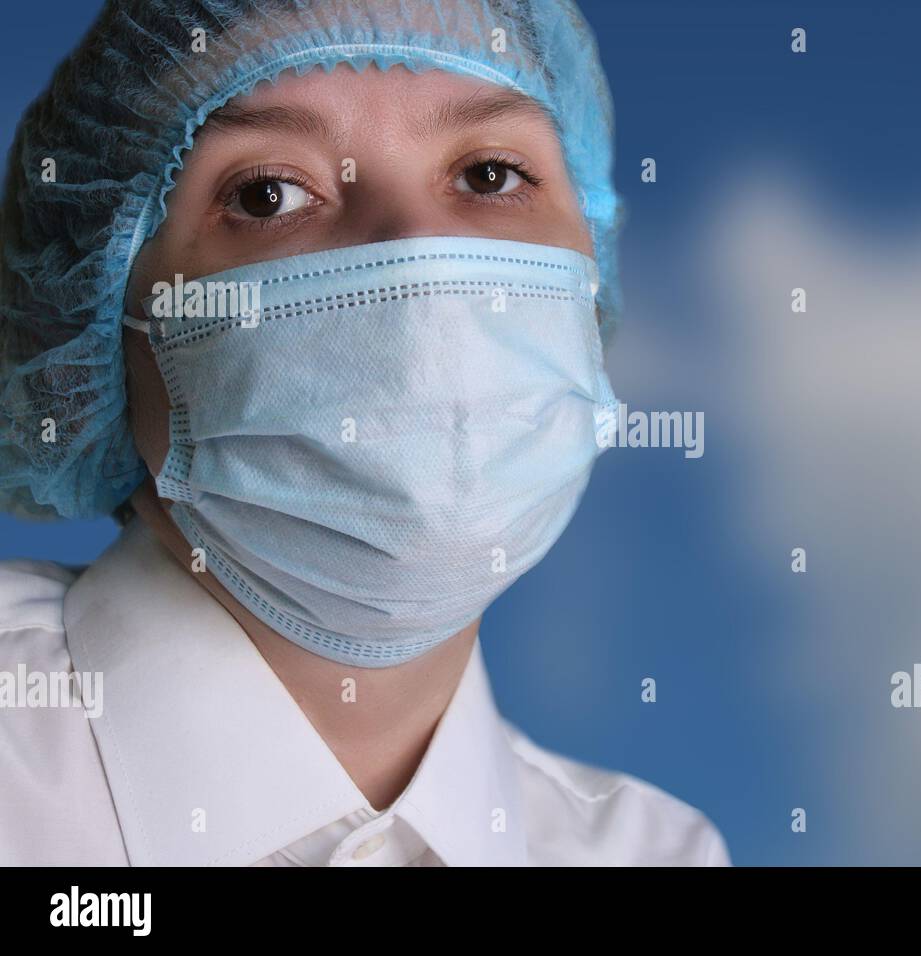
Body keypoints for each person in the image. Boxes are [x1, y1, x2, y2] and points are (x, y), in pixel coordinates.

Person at [0, 0, 729, 866]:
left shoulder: (655, 853)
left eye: (491, 176)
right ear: (94, 327)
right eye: (267, 194)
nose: (418, 250)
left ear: (591, 270)